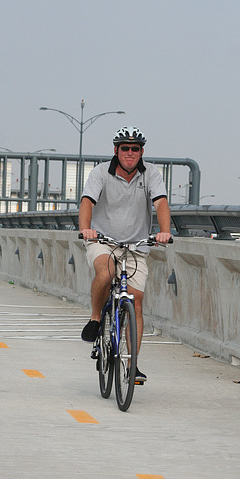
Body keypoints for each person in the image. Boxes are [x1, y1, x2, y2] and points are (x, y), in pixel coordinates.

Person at [79, 125, 172, 383]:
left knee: (137, 301)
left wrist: (164, 231)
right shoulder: (100, 173)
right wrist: (86, 229)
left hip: (136, 245)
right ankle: (96, 317)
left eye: (135, 149)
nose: (130, 153)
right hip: (103, 240)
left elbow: (161, 201)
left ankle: (132, 366)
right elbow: (87, 201)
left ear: (141, 151)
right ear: (116, 151)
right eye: (125, 148)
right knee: (106, 272)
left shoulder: (151, 173)